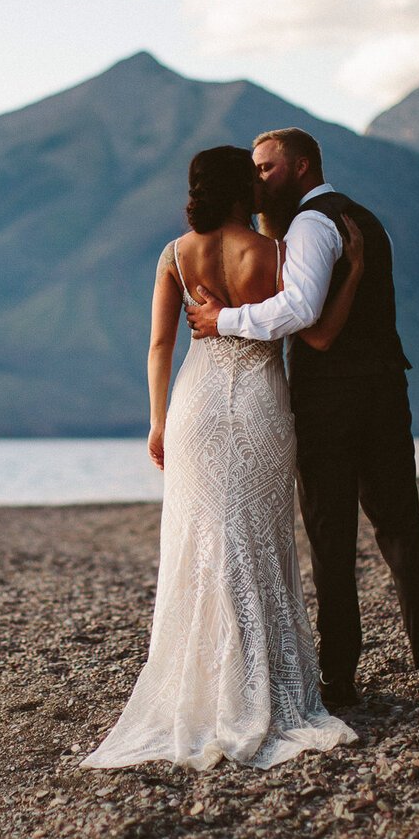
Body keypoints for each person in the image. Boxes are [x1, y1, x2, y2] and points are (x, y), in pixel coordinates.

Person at [81, 145, 361, 770]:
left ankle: (205, 684)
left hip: (196, 405)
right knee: (256, 537)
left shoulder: (175, 255)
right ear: (244, 189)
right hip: (260, 401)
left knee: (201, 537)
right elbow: (309, 328)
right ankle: (260, 682)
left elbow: (160, 343)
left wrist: (156, 420)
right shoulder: (274, 252)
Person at [186, 128, 419, 706]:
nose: (257, 180)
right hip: (385, 390)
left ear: (300, 167)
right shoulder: (360, 218)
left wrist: (222, 321)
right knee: (401, 530)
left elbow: (300, 310)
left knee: (332, 539)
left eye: (266, 169)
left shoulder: (310, 226)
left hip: (329, 402)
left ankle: (341, 678)